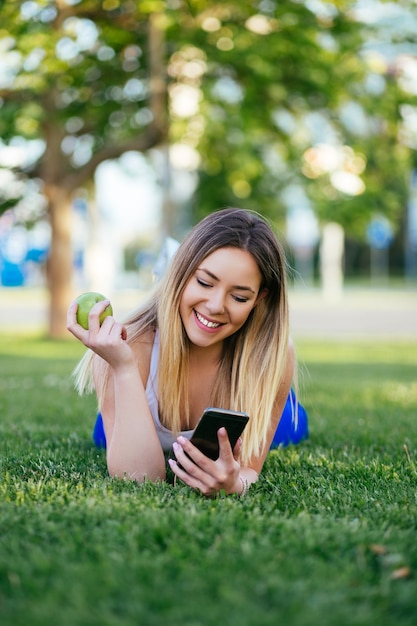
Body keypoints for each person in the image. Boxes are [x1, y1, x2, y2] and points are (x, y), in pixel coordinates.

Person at [67, 208, 308, 497]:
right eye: (205, 282)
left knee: (292, 429)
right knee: (103, 437)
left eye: (240, 296)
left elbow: (249, 470)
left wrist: (235, 484)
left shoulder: (272, 357)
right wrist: (123, 368)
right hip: (135, 404)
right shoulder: (129, 343)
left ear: (259, 299)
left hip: (261, 403)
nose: (216, 305)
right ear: (180, 274)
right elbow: (140, 480)